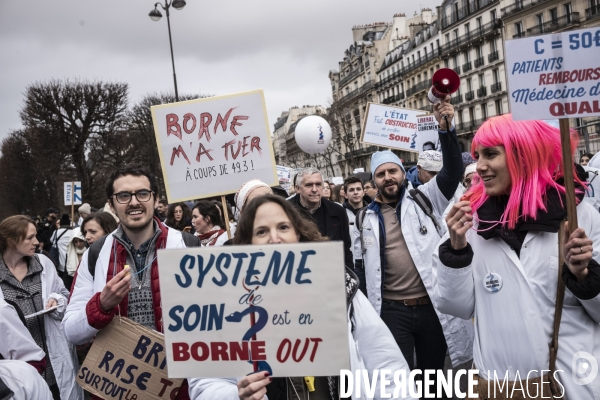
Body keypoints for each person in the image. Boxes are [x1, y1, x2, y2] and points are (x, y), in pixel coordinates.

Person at [434, 115, 600, 399]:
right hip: (499, 387)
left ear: (523, 156)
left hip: (573, 382)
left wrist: (583, 275)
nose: (479, 166)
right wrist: (457, 250)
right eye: (477, 156)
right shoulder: (470, 222)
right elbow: (457, 307)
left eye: (491, 154)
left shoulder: (577, 217)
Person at [188, 194, 416, 400]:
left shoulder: (339, 286)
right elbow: (204, 384)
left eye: (283, 227)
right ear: (247, 243)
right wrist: (236, 395)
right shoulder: (225, 303)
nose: (274, 238)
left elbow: (386, 363)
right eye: (262, 231)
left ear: (297, 234)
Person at [353, 96, 473, 397]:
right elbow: (361, 268)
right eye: (380, 174)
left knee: (434, 377)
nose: (388, 178)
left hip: (431, 305)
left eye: (392, 171)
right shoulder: (363, 218)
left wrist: (445, 130)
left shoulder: (425, 197)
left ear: (400, 172)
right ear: (375, 181)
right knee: (398, 378)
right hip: (393, 310)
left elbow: (451, 170)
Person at [63, 164, 193, 400]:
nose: (134, 202)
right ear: (111, 205)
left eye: (142, 193)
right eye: (124, 196)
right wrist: (101, 306)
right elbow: (71, 331)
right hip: (116, 388)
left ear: (155, 199)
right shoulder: (96, 253)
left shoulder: (188, 246)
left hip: (178, 388)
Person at [0, 215, 81, 400]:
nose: (36, 242)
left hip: (53, 360)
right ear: (11, 241)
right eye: (29, 238)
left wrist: (57, 300)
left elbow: (64, 296)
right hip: (17, 367)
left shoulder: (43, 264)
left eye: (35, 236)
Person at [288, 168, 354, 269]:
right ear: (298, 188)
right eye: (309, 185)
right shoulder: (285, 211)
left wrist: (348, 280)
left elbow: (345, 249)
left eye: (318, 184)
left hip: (331, 273)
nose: (314, 189)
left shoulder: (338, 211)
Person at [63, 227, 86, 291]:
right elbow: (67, 274)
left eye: (81, 240)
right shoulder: (70, 254)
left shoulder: (90, 253)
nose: (78, 244)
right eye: (75, 242)